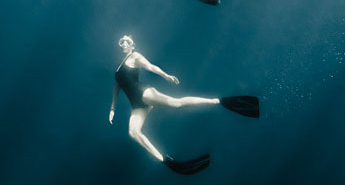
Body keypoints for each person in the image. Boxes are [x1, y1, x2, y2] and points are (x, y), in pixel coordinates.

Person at [109, 35, 259, 174]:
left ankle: (219, 101)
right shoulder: (119, 66)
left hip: (144, 93)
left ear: (132, 45)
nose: (123, 43)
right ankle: (166, 161)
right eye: (121, 41)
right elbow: (117, 86)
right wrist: (112, 108)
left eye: (127, 41)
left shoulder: (135, 56)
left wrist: (166, 76)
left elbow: (151, 66)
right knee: (133, 133)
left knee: (177, 103)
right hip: (136, 104)